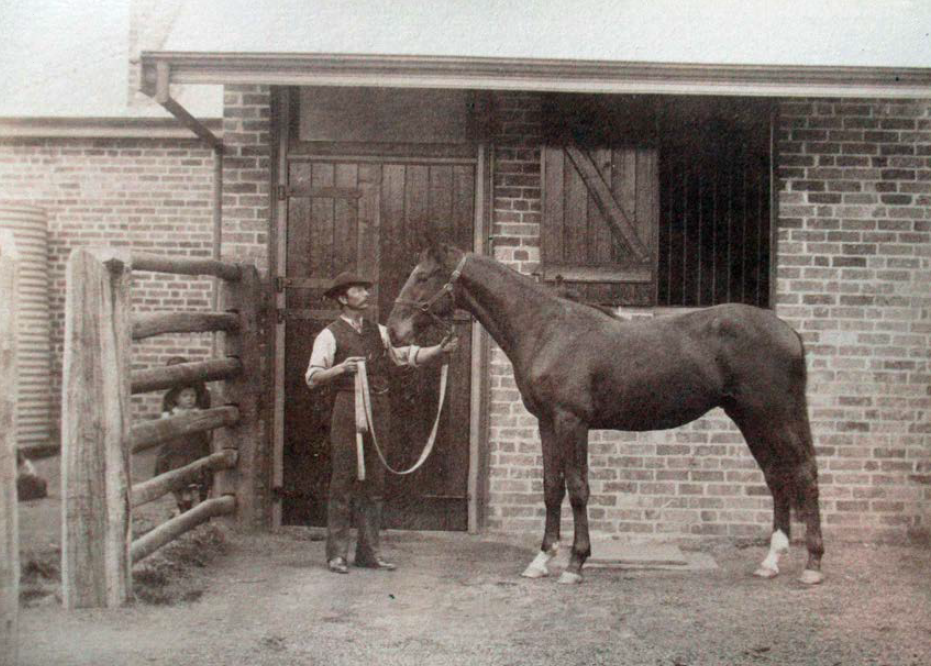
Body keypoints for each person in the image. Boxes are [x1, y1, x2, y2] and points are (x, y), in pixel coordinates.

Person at [306, 271, 457, 574]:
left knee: (374, 484)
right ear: (342, 298)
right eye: (357, 290)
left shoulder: (378, 331)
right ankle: (336, 554)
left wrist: (438, 351)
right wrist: (340, 369)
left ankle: (369, 553)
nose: (364, 294)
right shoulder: (329, 335)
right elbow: (312, 377)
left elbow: (404, 356)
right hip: (348, 409)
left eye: (365, 290)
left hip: (379, 408)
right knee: (344, 482)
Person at [154, 356, 213, 514]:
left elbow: (205, 415)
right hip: (175, 444)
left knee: (199, 472)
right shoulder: (169, 397)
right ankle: (182, 505)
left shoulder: (200, 393)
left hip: (195, 442)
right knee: (173, 472)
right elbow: (165, 419)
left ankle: (199, 505)